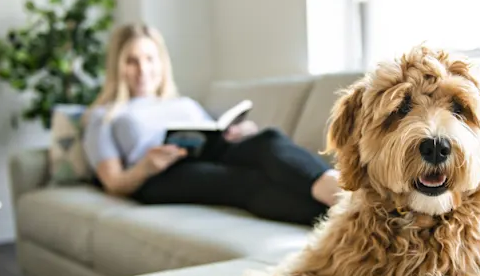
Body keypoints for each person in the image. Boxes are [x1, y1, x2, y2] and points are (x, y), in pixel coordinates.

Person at [82, 22, 341, 226]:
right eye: (132, 61)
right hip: (161, 176)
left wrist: (237, 134)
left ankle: (342, 192)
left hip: (208, 155)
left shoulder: (182, 103)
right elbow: (113, 183)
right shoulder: (104, 116)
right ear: (118, 67)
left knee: (268, 140)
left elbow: (212, 136)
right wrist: (145, 167)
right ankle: (343, 217)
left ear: (161, 62)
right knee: (246, 182)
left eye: (150, 58)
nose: (143, 69)